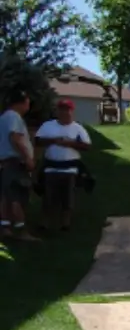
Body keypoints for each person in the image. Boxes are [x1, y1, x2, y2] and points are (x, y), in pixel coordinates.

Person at [35, 99, 91, 233]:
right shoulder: (48, 126)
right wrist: (54, 140)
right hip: (51, 167)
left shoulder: (77, 128)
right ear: (57, 111)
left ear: (72, 112)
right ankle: (45, 223)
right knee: (48, 197)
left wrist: (70, 143)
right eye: (62, 109)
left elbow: (87, 146)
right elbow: (37, 140)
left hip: (70, 168)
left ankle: (65, 224)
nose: (65, 112)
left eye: (67, 110)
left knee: (68, 197)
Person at [0, 89, 38, 242]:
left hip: (5, 163)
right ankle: (22, 231)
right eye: (27, 102)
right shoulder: (14, 117)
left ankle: (6, 228)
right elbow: (15, 138)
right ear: (22, 102)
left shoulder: (3, 118)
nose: (28, 105)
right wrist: (27, 157)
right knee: (17, 197)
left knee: (6, 197)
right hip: (15, 162)